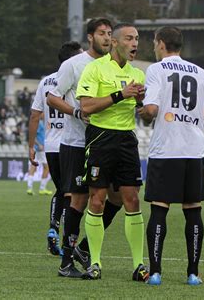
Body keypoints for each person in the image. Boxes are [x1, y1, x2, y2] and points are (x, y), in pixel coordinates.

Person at [138, 26, 204, 286]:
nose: (154, 47)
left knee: (159, 210)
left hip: (166, 150)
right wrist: (191, 113)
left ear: (161, 43)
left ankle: (155, 272)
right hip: (193, 151)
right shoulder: (200, 73)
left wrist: (142, 109)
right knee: (193, 212)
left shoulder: (155, 70)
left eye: (154, 43)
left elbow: (151, 109)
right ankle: (193, 273)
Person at [48, 18, 126, 278]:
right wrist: (76, 111)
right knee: (79, 200)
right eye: (102, 33)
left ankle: (82, 248)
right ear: (90, 37)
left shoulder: (113, 66)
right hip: (77, 144)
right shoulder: (73, 65)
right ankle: (66, 262)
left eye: (110, 33)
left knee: (117, 198)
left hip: (105, 143)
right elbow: (52, 97)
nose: (107, 38)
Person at [75, 23, 148, 281]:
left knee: (133, 200)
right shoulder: (94, 69)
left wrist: (141, 103)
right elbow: (86, 107)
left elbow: (146, 118)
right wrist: (120, 94)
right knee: (97, 200)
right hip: (100, 138)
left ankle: (139, 266)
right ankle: (94, 263)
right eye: (129, 38)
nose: (135, 44)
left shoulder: (138, 74)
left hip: (127, 139)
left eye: (137, 39)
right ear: (115, 42)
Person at [29, 41, 83, 256]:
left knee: (61, 190)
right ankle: (67, 241)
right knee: (74, 193)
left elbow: (35, 115)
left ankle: (53, 227)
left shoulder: (46, 81)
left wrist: (30, 146)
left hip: (51, 145)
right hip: (71, 142)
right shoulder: (79, 76)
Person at [27, 113, 52, 196]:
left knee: (33, 166)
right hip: (40, 149)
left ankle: (29, 188)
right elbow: (34, 135)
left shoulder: (41, 122)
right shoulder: (39, 123)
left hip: (36, 148)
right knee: (46, 167)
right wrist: (39, 145)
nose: (44, 114)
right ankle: (42, 188)